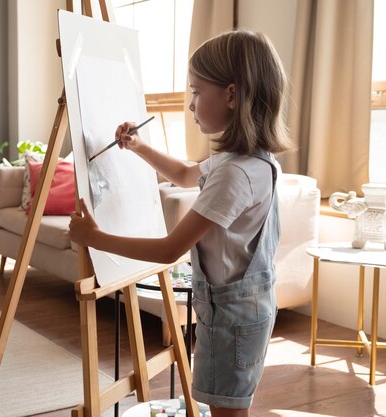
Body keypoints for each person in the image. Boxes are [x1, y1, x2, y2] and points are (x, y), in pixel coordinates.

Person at [69, 30, 292, 417]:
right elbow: (188, 174)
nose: (190, 105)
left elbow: (169, 249)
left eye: (196, 91)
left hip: (233, 319)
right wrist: (139, 147)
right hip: (240, 311)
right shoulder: (249, 161)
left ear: (232, 95)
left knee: (227, 411)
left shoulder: (235, 174)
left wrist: (95, 237)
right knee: (228, 406)